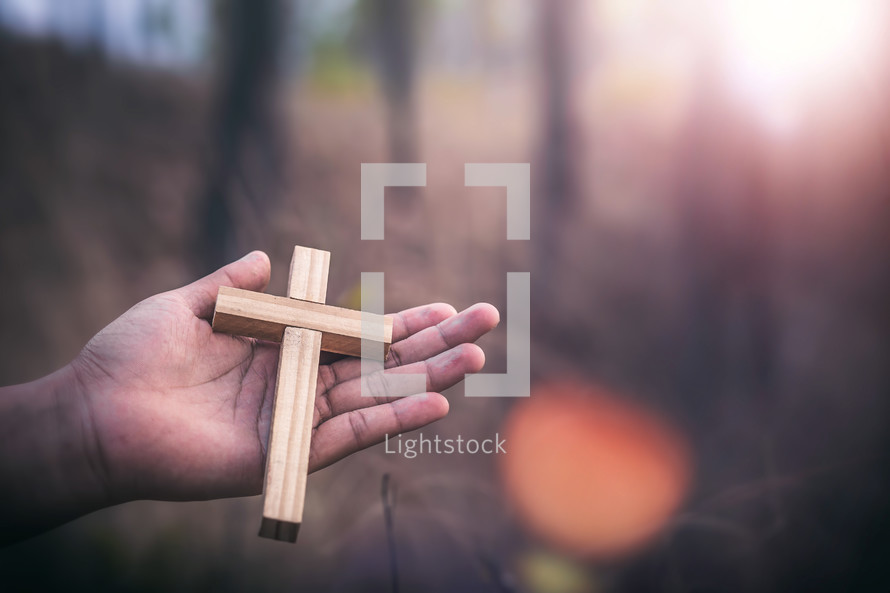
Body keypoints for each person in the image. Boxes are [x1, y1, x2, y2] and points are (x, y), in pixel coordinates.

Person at [0, 251, 499, 545]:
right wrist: (84, 410)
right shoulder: (251, 311)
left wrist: (80, 420)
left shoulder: (319, 323)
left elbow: (377, 338)